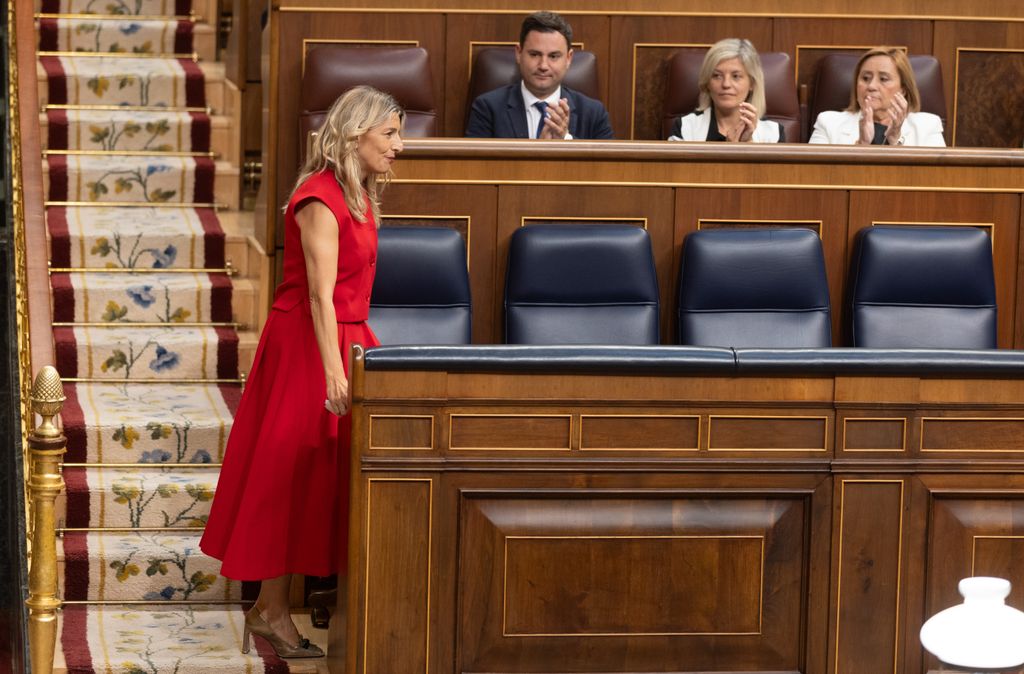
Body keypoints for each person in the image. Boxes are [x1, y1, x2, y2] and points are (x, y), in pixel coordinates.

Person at [199, 85, 404, 658]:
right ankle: (270, 609)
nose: (399, 146)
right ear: (354, 132)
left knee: (324, 477)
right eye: (389, 133)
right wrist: (335, 373)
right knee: (289, 474)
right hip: (309, 346)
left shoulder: (361, 194)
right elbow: (318, 296)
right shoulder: (319, 198)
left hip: (348, 336)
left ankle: (284, 608)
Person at [465, 11, 614, 139]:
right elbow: (475, 169)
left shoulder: (594, 113)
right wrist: (538, 150)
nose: (543, 66)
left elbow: (607, 170)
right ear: (519, 53)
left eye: (554, 56)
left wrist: (566, 140)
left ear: (568, 59)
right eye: (535, 54)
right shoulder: (487, 108)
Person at [809, 47, 945, 146]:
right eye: (865, 78)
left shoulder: (928, 126)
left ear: (903, 89)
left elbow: (934, 181)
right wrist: (861, 145)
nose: (871, 86)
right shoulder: (828, 123)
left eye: (883, 79)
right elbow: (814, 177)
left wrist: (895, 140)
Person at [668, 39, 783, 143]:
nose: (726, 84)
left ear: (752, 83)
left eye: (736, 76)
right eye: (717, 76)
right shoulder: (685, 127)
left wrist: (748, 146)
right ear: (707, 82)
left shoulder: (773, 134)